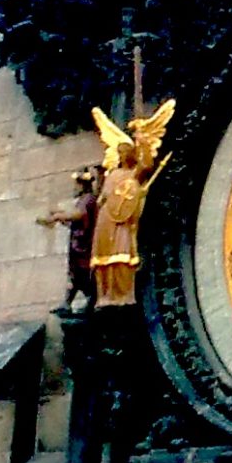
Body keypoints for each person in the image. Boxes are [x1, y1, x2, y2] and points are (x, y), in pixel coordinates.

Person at [90, 100, 175, 307]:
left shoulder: (133, 173)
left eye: (125, 153)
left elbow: (146, 163)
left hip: (122, 219)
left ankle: (123, 294)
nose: (121, 156)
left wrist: (141, 138)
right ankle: (104, 294)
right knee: (103, 257)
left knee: (122, 254)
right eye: (120, 153)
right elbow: (103, 198)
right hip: (106, 218)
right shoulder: (113, 174)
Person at [37, 167, 99, 309]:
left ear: (82, 184)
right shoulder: (82, 200)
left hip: (85, 247)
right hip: (78, 247)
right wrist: (60, 217)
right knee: (74, 275)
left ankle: (90, 300)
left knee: (84, 275)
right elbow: (74, 222)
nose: (74, 187)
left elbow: (78, 215)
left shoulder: (89, 199)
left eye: (76, 184)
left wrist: (59, 215)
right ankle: (67, 303)